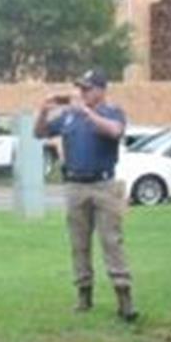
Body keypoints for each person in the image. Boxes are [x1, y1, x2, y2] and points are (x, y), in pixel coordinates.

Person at [34, 69, 138, 322]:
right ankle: (84, 293)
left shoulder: (112, 112)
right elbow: (39, 133)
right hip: (75, 185)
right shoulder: (69, 116)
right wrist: (43, 112)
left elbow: (114, 131)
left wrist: (88, 113)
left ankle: (124, 296)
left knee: (111, 240)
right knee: (79, 243)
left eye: (88, 89)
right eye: (80, 88)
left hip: (104, 185)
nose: (82, 93)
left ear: (101, 90)